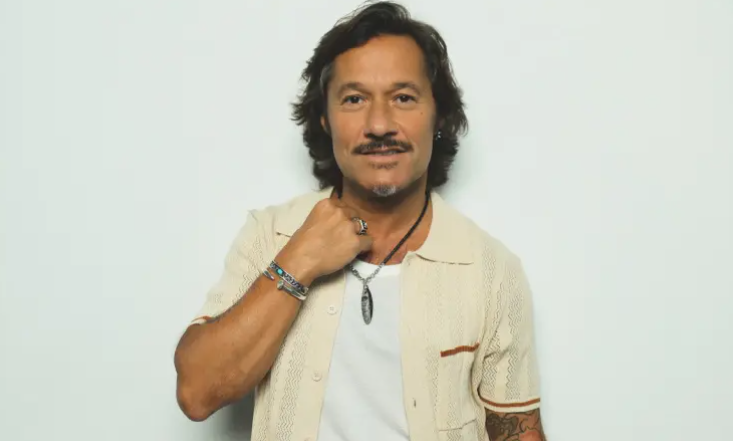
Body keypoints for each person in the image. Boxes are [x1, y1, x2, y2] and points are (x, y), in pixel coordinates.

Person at [174, 2, 547, 440]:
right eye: (354, 99)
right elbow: (197, 393)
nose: (379, 124)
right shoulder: (271, 235)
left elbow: (516, 431)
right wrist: (300, 259)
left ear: (439, 114)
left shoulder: (490, 270)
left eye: (403, 97)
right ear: (325, 119)